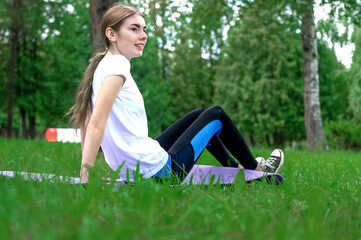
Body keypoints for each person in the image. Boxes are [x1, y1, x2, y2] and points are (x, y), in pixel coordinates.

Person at [67, 3, 284, 183]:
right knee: (216, 114)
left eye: (144, 29)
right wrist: (85, 178)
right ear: (111, 33)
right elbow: (95, 124)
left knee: (199, 115)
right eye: (134, 29)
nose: (143, 36)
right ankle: (256, 169)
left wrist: (87, 172)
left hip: (135, 170)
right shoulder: (118, 66)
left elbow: (86, 122)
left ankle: (238, 170)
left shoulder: (102, 66)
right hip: (160, 173)